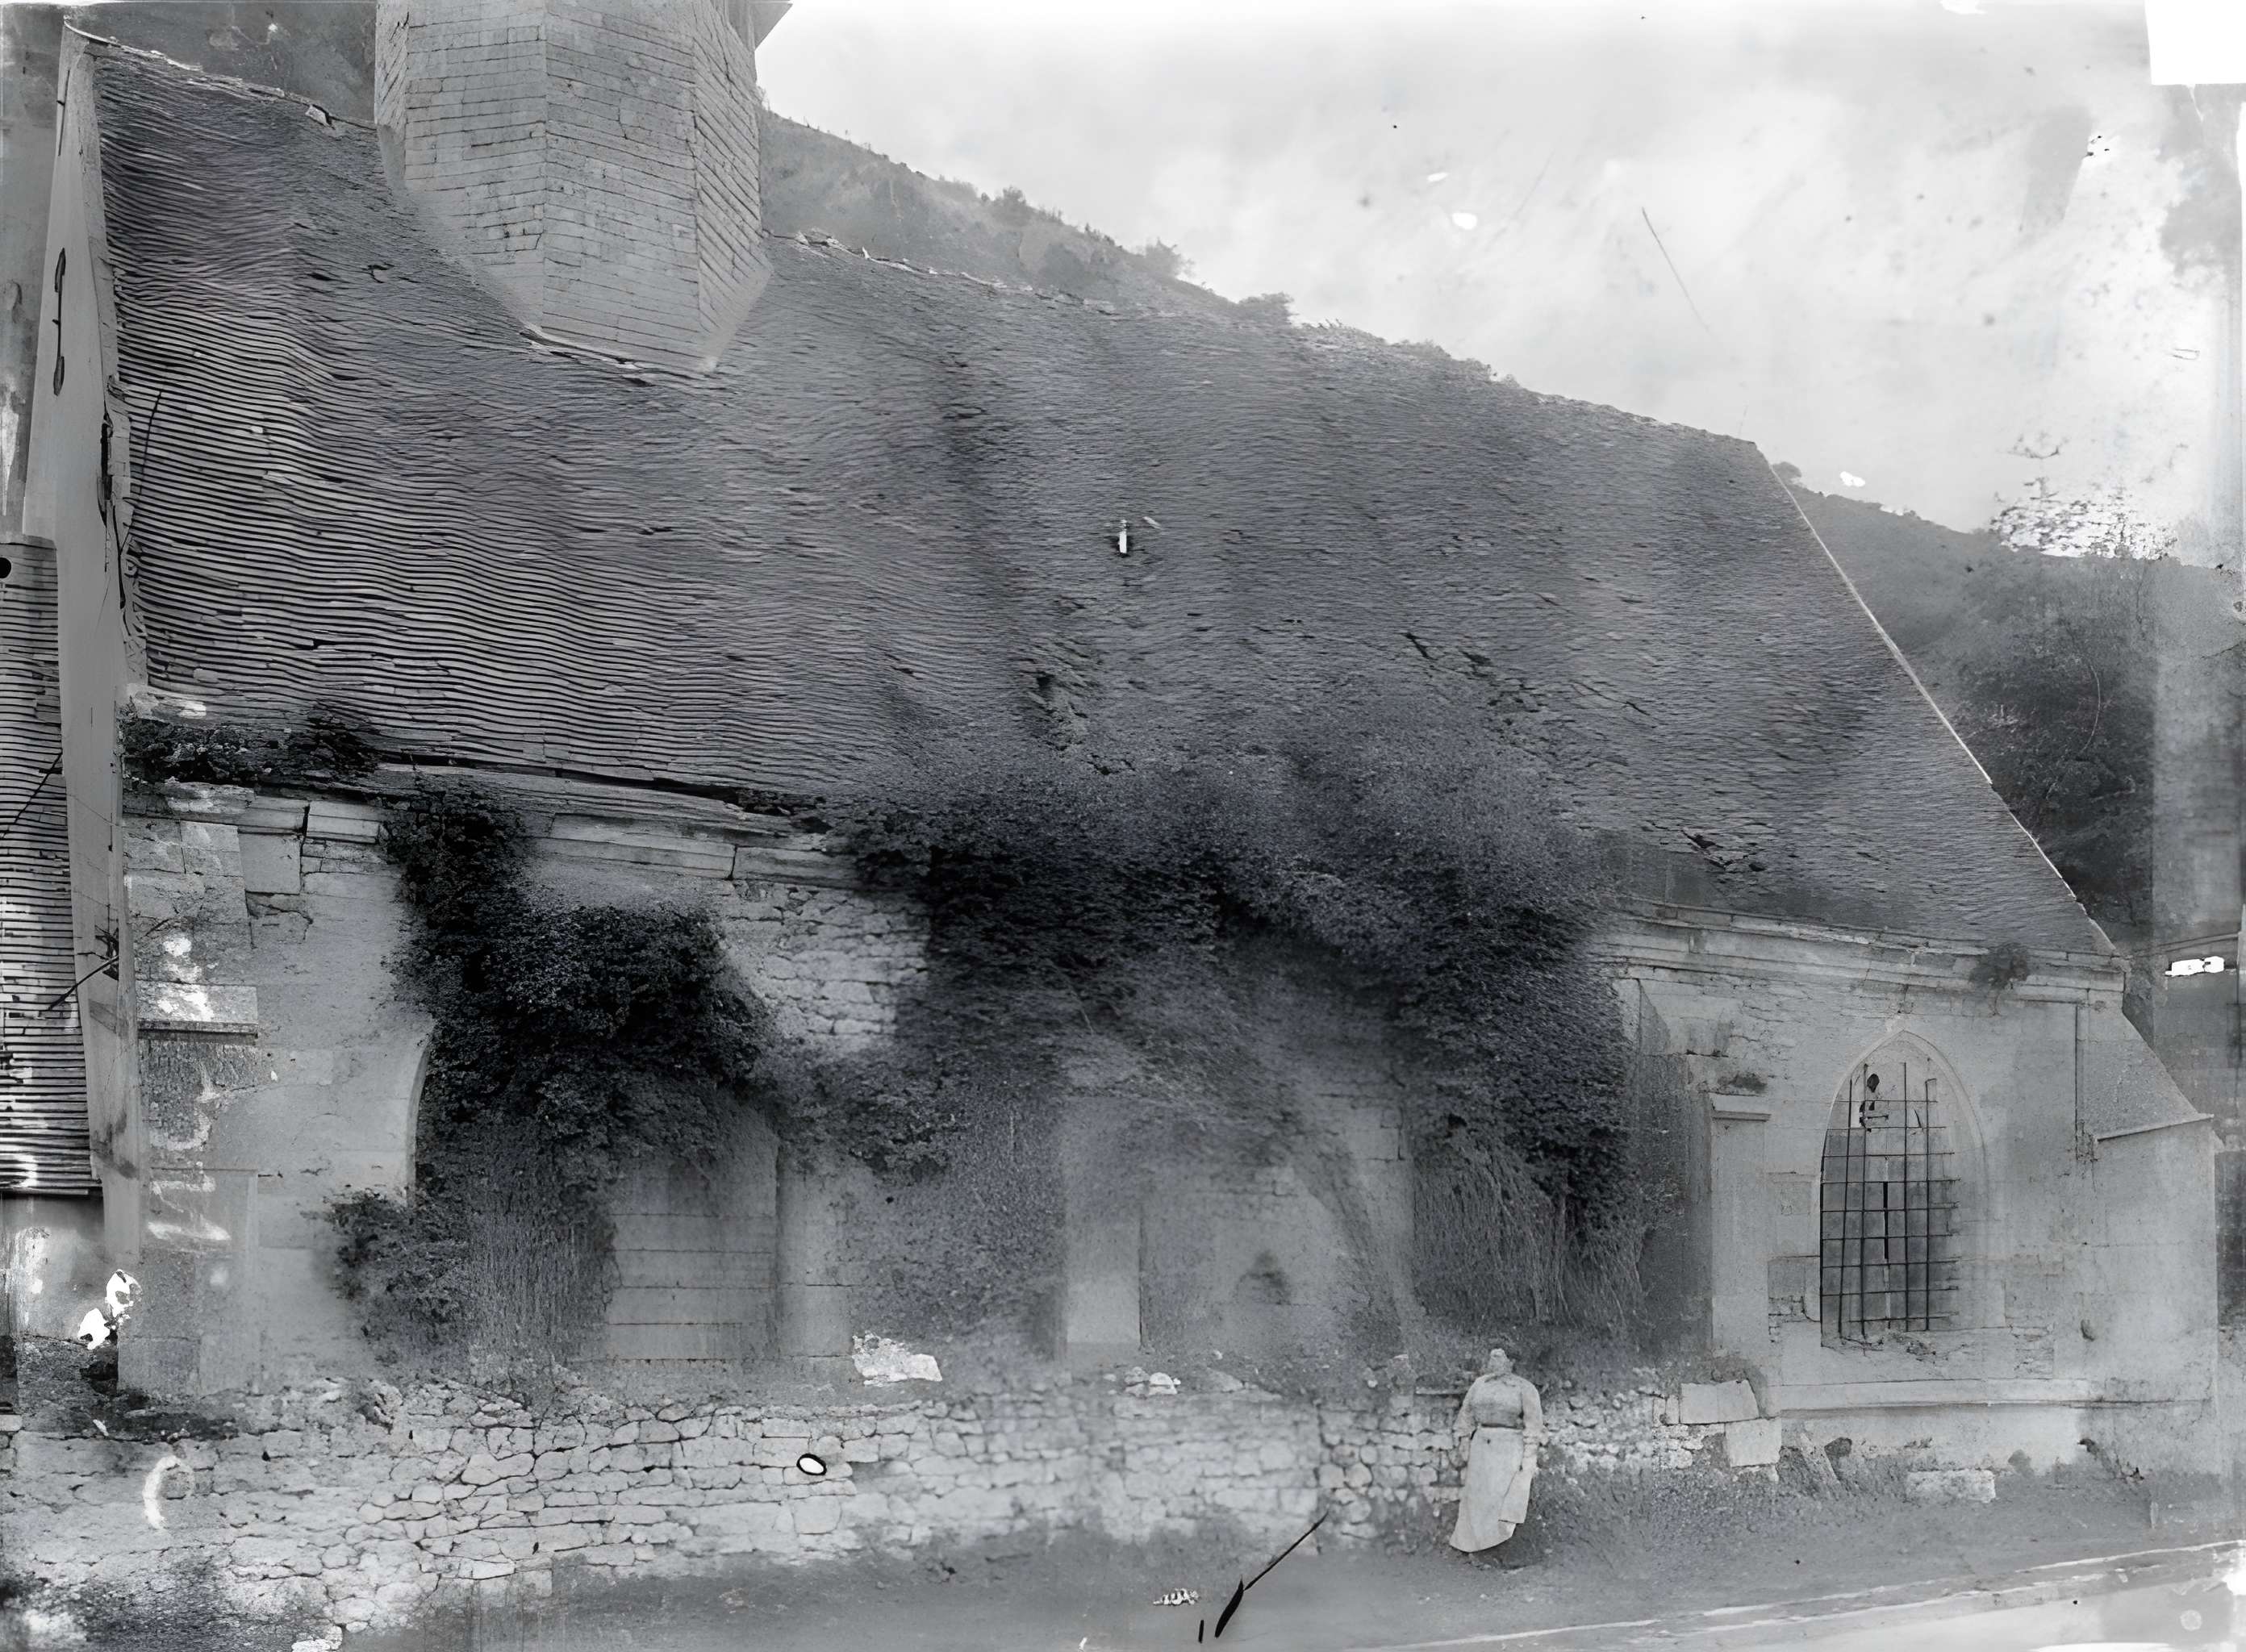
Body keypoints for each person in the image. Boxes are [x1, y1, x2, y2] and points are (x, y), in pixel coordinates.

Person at [1448, 1347, 1544, 1554]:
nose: (1494, 1363)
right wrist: (1464, 1440)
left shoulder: (1523, 1387)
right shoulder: (1479, 1385)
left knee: (1499, 1496)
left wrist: (1529, 1456)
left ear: (1512, 1362)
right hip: (1481, 1443)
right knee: (1477, 1495)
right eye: (1492, 1358)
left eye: (1500, 1358)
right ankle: (1473, 1546)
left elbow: (1533, 1425)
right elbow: (1466, 1415)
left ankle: (1498, 1547)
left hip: (1508, 1446)